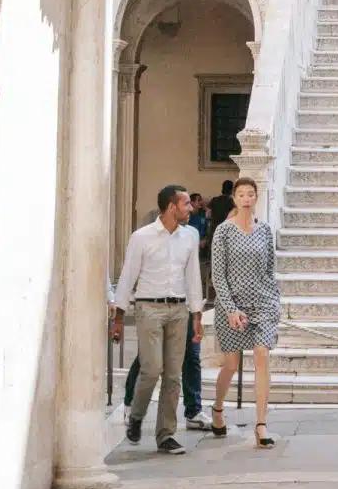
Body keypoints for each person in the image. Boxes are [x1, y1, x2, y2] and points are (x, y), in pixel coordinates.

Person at [111, 184, 204, 455]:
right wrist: (118, 316)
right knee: (151, 368)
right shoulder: (142, 237)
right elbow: (128, 275)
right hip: (148, 308)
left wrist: (196, 314)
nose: (191, 208)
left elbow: (193, 277)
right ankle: (137, 416)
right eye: (186, 204)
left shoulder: (190, 236)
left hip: (179, 310)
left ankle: (166, 434)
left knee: (173, 375)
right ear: (171, 207)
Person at [210, 176, 282, 449]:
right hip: (233, 306)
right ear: (235, 198)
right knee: (231, 364)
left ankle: (261, 423)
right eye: (241, 194)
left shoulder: (264, 230)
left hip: (262, 303)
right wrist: (230, 309)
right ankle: (218, 408)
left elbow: (269, 270)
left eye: (251, 194)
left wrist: (274, 299)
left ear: (256, 197)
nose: (247, 198)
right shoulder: (223, 232)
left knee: (262, 354)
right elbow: (218, 274)